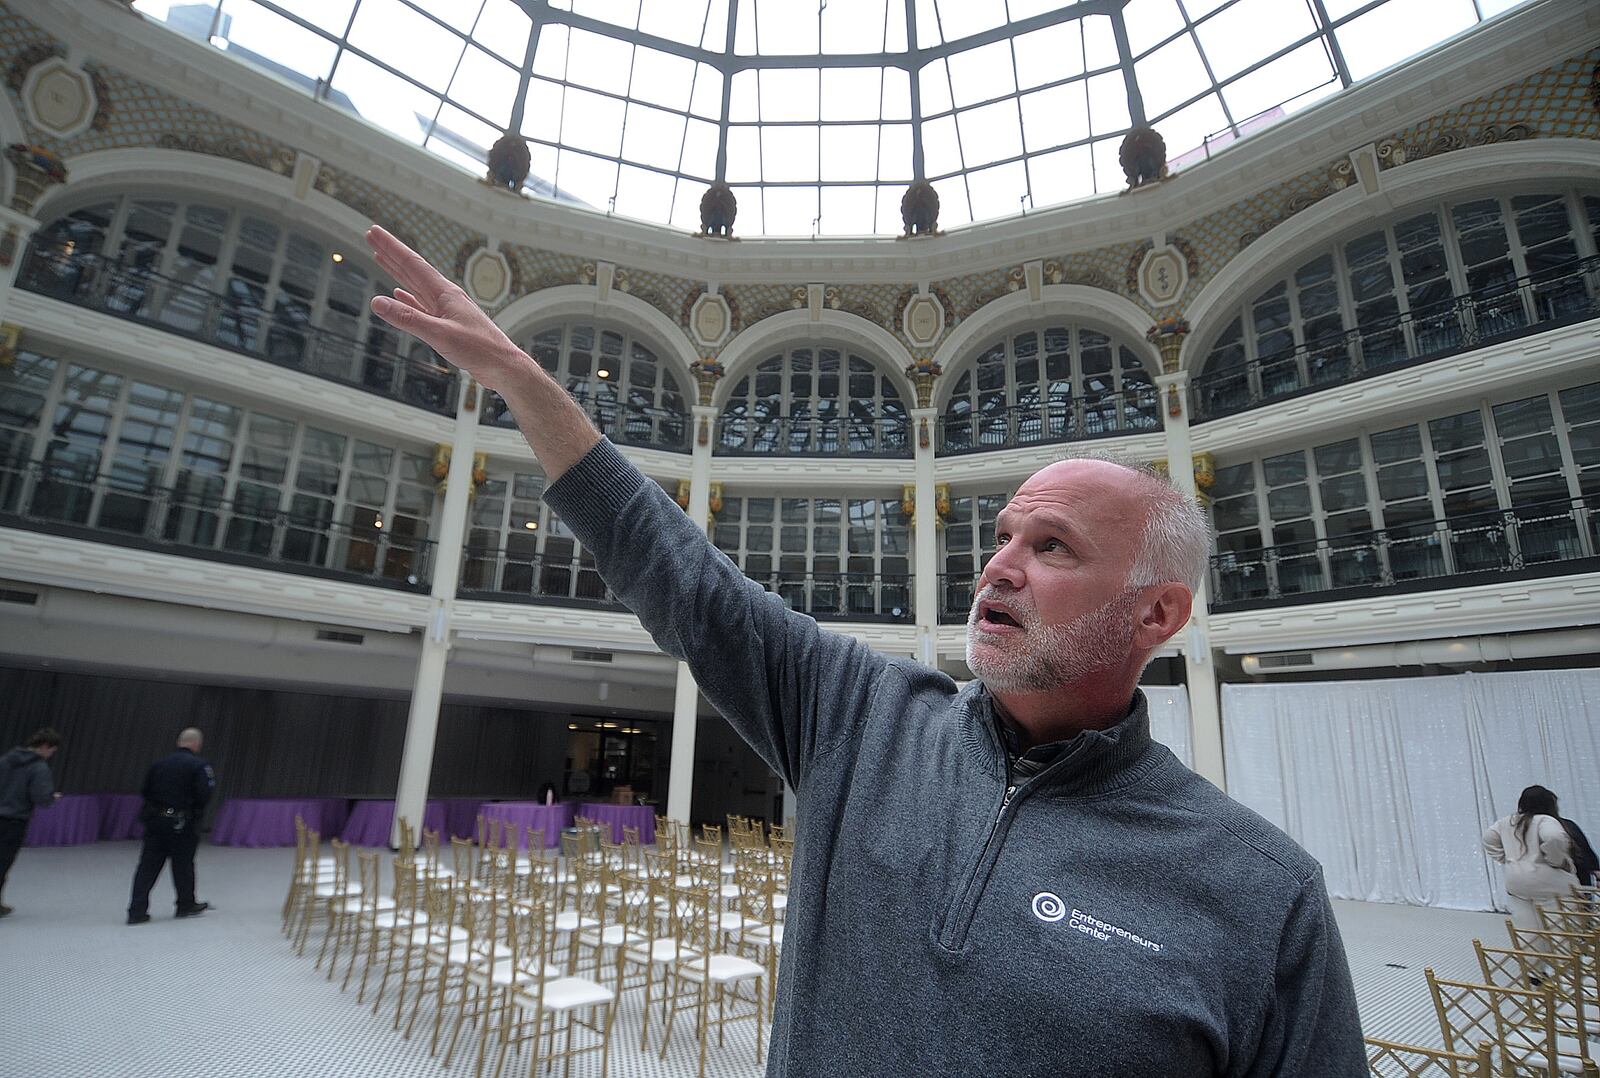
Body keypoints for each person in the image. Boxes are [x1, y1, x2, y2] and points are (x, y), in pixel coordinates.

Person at [362, 225, 1365, 1075]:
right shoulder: (862, 716)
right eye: (1004, 535)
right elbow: (679, 574)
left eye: (1050, 546)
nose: (998, 567)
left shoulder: (1260, 892)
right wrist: (522, 380)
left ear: (1157, 617)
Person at [127, 727, 215, 925]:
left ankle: (136, 910)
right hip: (182, 822)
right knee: (183, 865)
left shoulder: (158, 764)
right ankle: (185, 905)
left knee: (147, 866)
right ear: (197, 744)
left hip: (156, 821)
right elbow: (204, 795)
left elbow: (145, 790)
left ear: (179, 742)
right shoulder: (199, 766)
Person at [1483, 784, 1581, 929]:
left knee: (1528, 931)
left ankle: (1530, 951)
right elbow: (1554, 837)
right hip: (1550, 883)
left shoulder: (1507, 822)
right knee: (1561, 929)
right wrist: (1556, 860)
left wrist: (1506, 859)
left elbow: (1488, 838)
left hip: (1516, 882)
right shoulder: (1545, 820)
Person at [0, 728, 63, 918]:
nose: (51, 755)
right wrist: (52, 797)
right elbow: (41, 798)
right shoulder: (39, 768)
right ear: (45, 746)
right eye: (52, 751)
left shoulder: (5, 760)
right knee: (2, 864)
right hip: (14, 821)